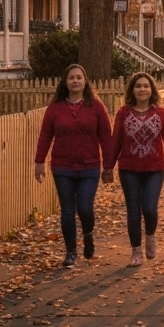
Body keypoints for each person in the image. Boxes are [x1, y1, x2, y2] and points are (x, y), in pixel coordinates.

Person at [33, 64, 112, 268]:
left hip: (89, 167)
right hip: (62, 167)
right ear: (65, 82)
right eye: (71, 78)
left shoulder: (96, 106)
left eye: (79, 77)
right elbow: (45, 136)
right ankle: (70, 252)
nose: (75, 81)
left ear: (85, 81)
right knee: (67, 210)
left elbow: (106, 137)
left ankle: (88, 234)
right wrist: (39, 162)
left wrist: (108, 166)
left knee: (84, 207)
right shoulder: (55, 108)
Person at [112, 71, 164, 267]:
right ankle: (136, 251)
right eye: (138, 86)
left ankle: (150, 235)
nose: (142, 89)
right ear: (132, 90)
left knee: (149, 209)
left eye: (146, 86)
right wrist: (108, 166)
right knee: (133, 211)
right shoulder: (123, 113)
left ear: (152, 90)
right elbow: (115, 141)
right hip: (129, 169)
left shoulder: (160, 113)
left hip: (154, 168)